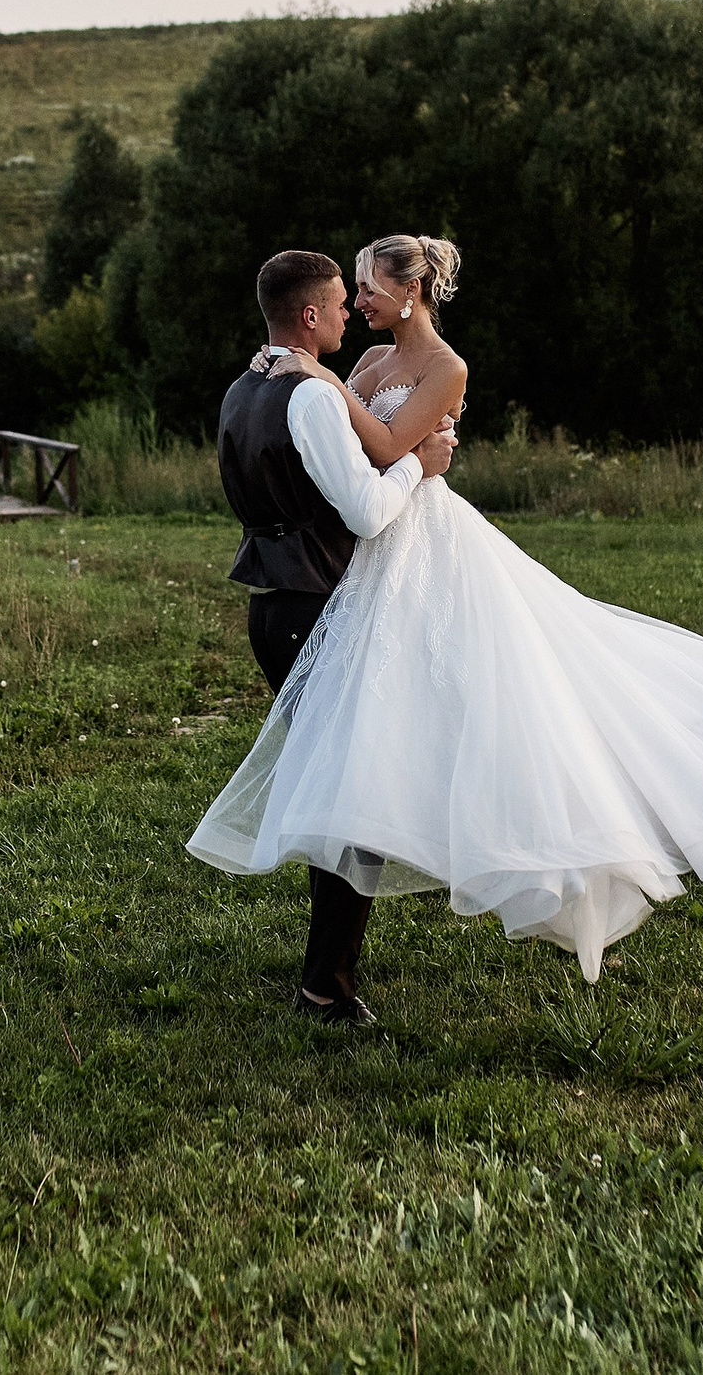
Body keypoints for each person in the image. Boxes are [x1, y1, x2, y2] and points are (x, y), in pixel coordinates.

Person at [187, 235, 703, 1017]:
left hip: (417, 549)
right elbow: (348, 445)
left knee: (487, 719)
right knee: (364, 762)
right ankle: (331, 969)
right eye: (349, 292)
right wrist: (302, 373)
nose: (358, 304)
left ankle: (497, 861)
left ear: (410, 290)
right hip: (366, 565)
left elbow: (384, 443)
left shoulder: (441, 367)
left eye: (369, 288)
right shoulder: (361, 365)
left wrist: (323, 383)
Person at [208, 249, 458, 1026]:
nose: (351, 311)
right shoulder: (312, 397)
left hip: (272, 608)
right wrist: (421, 463)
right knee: (360, 798)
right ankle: (325, 986)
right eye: (341, 302)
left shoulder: (243, 389)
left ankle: (326, 974)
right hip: (316, 609)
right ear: (310, 315)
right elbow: (368, 511)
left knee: (340, 786)